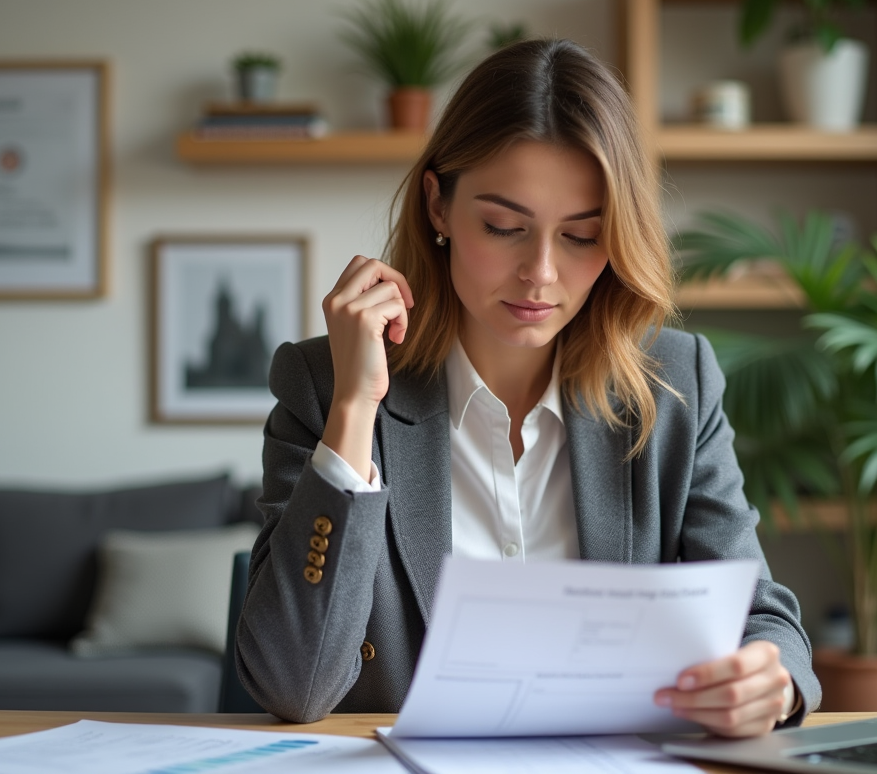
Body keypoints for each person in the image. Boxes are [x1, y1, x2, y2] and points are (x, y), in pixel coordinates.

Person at [236, 38, 820, 737]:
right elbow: (293, 686)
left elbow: (762, 615)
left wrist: (771, 682)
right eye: (505, 227)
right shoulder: (323, 385)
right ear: (437, 206)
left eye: (581, 236)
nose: (540, 273)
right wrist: (355, 411)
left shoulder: (673, 385)